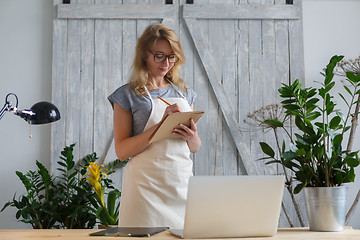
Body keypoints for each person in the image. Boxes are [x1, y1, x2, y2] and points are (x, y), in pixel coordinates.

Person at [107, 23, 201, 229]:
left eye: (171, 56)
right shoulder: (127, 96)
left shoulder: (185, 93)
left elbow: (193, 148)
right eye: (159, 55)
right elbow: (122, 151)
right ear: (144, 55)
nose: (166, 62)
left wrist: (192, 137)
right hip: (145, 191)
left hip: (180, 187)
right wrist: (160, 126)